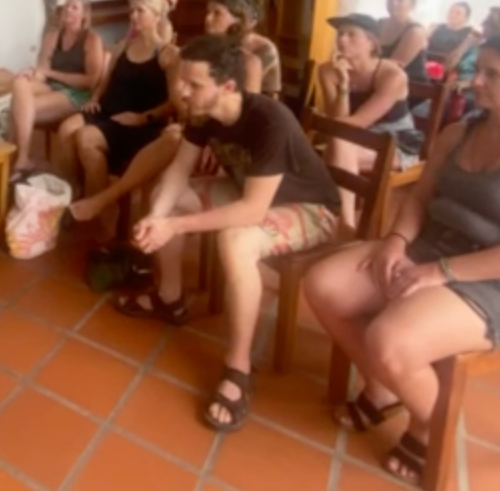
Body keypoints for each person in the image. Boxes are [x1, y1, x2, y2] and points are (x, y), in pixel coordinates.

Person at [303, 35, 500, 484]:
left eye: (493, 74)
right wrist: (396, 241)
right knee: (323, 285)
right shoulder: (460, 132)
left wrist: (440, 272)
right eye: (479, 69)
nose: (476, 80)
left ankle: (432, 427)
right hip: (432, 249)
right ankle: (383, 390)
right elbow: (420, 196)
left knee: (391, 340)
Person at [116, 34, 342, 432]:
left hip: (311, 209)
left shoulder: (269, 120)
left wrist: (175, 225)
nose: (182, 91)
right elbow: (179, 171)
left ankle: (238, 367)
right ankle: (169, 298)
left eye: (194, 84)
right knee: (167, 197)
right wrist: (157, 217)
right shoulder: (201, 114)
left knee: (236, 239)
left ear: (229, 87)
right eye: (182, 81)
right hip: (250, 192)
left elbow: (253, 211)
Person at [67, 0, 264, 223]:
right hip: (194, 131)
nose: (208, 19)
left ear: (236, 22)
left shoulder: (249, 62)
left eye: (217, 13)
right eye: (208, 12)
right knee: (169, 139)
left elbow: (248, 113)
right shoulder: (195, 54)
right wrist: (184, 115)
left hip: (224, 140)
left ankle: (106, 201)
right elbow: (180, 101)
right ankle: (124, 225)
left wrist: (212, 137)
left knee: (171, 138)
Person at [56, 0, 179, 202]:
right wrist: (94, 99)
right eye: (132, 11)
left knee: (86, 138)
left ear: (157, 15)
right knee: (66, 129)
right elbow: (105, 81)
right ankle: (71, 193)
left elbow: (173, 103)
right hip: (108, 110)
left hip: (140, 120)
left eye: (140, 11)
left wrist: (144, 117)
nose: (133, 16)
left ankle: (98, 206)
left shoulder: (168, 54)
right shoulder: (124, 46)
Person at [9, 0, 106, 173]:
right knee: (19, 83)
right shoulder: (53, 36)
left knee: (18, 108)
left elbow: (91, 80)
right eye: (66, 6)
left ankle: (17, 161)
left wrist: (51, 72)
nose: (68, 10)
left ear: (84, 14)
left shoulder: (92, 39)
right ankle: (21, 160)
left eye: (74, 7)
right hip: (51, 86)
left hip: (77, 93)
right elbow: (42, 73)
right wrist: (32, 73)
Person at [317, 13, 422, 176]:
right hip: (351, 137)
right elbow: (336, 119)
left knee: (335, 152)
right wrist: (343, 86)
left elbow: (359, 122)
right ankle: (339, 201)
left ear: (371, 43)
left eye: (351, 34)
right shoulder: (328, 71)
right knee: (336, 148)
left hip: (394, 143)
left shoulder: (392, 75)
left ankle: (333, 201)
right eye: (340, 34)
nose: (342, 40)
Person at [379, 0, 429, 85]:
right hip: (379, 80)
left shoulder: (415, 31)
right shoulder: (378, 24)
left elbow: (393, 66)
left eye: (400, 0)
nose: (394, 3)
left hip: (410, 87)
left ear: (412, 4)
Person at [426, 2, 474, 67]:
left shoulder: (469, 36)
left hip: (445, 68)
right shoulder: (435, 28)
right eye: (451, 11)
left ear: (466, 18)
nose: (453, 15)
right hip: (424, 62)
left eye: (458, 13)